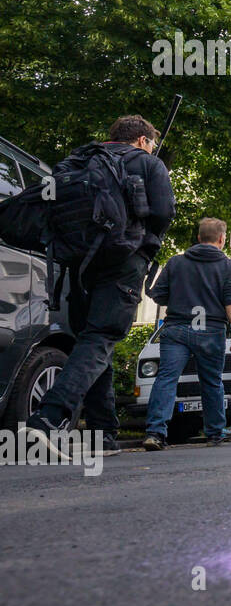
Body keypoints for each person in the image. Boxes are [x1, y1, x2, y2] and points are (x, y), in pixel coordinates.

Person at [19, 115, 176, 459]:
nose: (153, 148)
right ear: (141, 140)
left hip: (76, 263)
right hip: (122, 261)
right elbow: (164, 213)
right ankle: (47, 418)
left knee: (91, 339)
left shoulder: (79, 159)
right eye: (152, 143)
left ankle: (102, 434)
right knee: (101, 338)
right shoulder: (149, 164)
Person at [141, 217, 231, 449]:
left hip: (177, 328)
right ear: (221, 239)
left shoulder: (176, 263)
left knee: (166, 379)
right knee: (211, 382)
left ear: (198, 238)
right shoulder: (228, 266)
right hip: (211, 330)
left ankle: (155, 432)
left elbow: (158, 295)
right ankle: (215, 432)